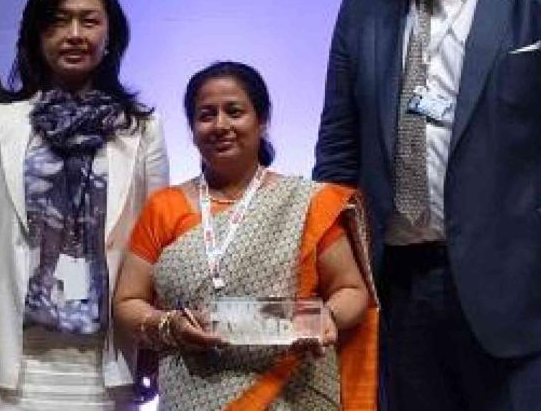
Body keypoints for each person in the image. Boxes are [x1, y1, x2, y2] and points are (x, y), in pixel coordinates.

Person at [313, 0, 541, 409]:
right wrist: (338, 267)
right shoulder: (364, 3)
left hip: (518, 291)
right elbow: (337, 151)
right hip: (401, 289)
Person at [0, 0, 169, 411]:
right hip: (19, 358)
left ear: (110, 35)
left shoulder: (142, 129)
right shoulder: (0, 122)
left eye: (89, 21)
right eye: (57, 21)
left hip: (108, 359)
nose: (74, 34)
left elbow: (156, 249)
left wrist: (152, 343)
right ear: (35, 35)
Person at [113, 61, 378, 410]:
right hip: (192, 392)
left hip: (295, 391)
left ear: (262, 119)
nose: (220, 125)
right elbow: (127, 302)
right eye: (206, 115)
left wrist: (327, 317)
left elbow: (351, 290)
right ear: (192, 129)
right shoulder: (165, 207)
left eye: (234, 111)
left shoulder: (306, 203)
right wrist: (168, 325)